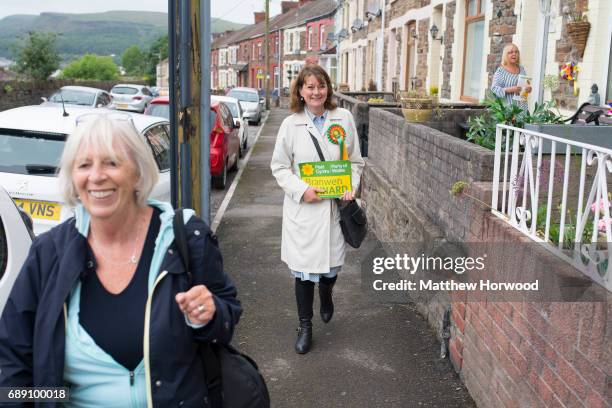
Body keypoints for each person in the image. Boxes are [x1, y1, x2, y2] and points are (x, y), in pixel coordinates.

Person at [0, 113, 242, 407]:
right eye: (84, 165)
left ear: (137, 173)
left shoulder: (186, 239)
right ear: (73, 177)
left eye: (112, 162)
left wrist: (210, 314)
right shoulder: (48, 253)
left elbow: (227, 316)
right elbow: (12, 363)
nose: (97, 176)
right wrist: (55, 397)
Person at [270, 64, 365, 354]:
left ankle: (327, 294)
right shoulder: (291, 125)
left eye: (321, 86)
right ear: (300, 91)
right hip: (305, 212)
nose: (316, 91)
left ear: (328, 89)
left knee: (330, 269)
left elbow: (356, 162)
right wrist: (302, 190)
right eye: (310, 86)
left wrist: (350, 187)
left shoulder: (344, 118)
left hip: (335, 208)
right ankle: (305, 326)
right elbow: (279, 166)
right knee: (303, 273)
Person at [491, 43, 532, 110]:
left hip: (522, 108)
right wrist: (512, 89)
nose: (514, 54)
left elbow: (525, 86)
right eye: (510, 52)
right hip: (508, 110)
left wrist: (528, 89)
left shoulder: (521, 68)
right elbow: (494, 89)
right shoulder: (501, 71)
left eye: (516, 52)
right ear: (505, 55)